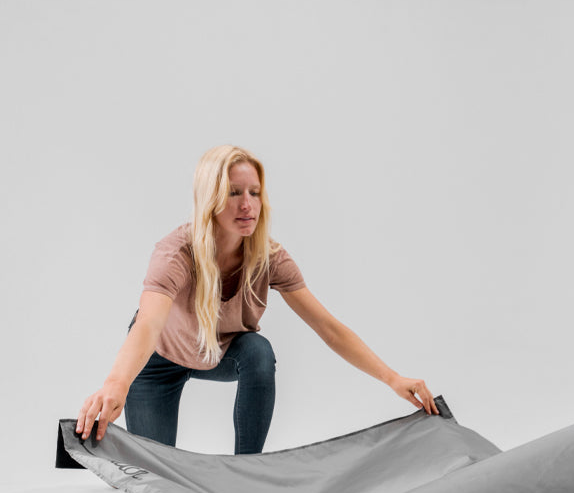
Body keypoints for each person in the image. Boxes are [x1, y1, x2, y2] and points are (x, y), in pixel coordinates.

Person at [77, 145, 437, 452]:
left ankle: (247, 472)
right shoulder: (176, 254)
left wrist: (392, 378)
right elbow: (149, 325)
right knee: (153, 481)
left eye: (254, 192)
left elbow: (328, 328)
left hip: (218, 352)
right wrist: (115, 384)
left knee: (258, 352)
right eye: (234, 192)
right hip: (159, 358)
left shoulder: (269, 258)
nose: (247, 204)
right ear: (211, 198)